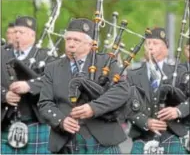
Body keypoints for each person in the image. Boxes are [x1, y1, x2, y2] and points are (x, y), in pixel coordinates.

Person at [37, 18, 128, 154]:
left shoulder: (106, 62)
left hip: (102, 141)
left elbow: (121, 90)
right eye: (68, 39)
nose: (71, 44)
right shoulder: (52, 68)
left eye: (76, 40)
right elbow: (45, 103)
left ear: (90, 44)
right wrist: (61, 120)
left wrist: (93, 108)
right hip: (65, 142)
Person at [124, 27, 189, 154]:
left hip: (172, 135)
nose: (150, 47)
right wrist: (145, 122)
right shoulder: (133, 75)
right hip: (143, 137)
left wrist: (178, 110)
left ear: (166, 49)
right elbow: (126, 104)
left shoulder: (179, 72)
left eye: (156, 43)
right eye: (148, 43)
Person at [1, 16, 56, 154]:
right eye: (15, 32)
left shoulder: (46, 57)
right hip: (4, 123)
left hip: (35, 122)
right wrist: (4, 94)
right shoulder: (1, 54)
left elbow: (54, 82)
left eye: (22, 32)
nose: (17, 35)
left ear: (32, 36)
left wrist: (30, 86)